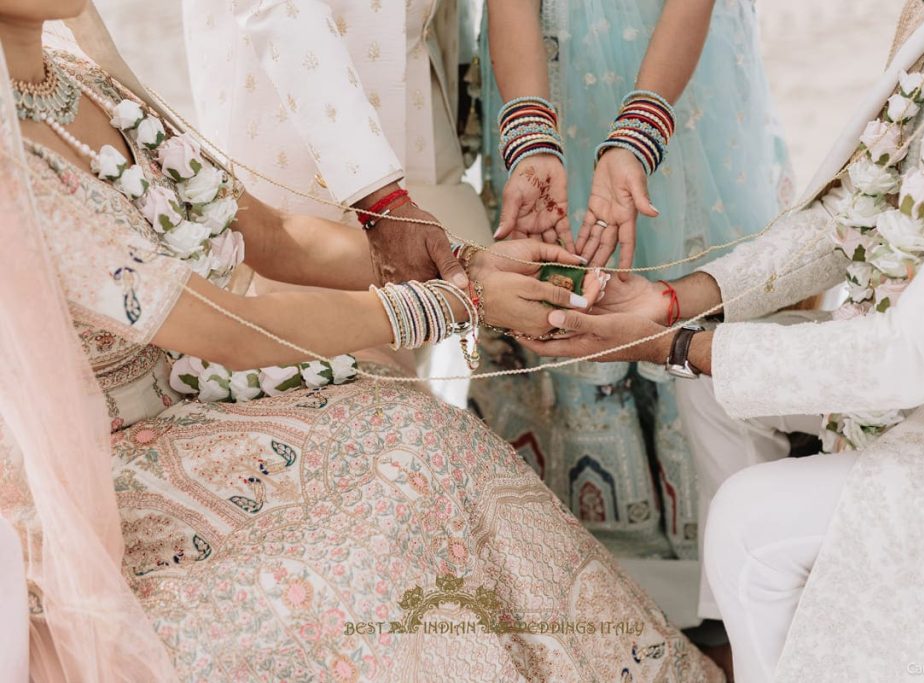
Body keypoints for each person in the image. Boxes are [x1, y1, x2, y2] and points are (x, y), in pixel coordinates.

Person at [0, 2, 725, 680]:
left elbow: (266, 233)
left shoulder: (79, 75)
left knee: (429, 436)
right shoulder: (10, 152)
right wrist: (458, 301)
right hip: (105, 465)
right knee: (385, 511)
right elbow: (223, 327)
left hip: (187, 403)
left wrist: (471, 263)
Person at [521, 0, 924, 678]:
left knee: (746, 521)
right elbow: (847, 214)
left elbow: (903, 355)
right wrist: (674, 304)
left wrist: (669, 346)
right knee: (711, 393)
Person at [471, 0, 793, 569]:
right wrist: (532, 138)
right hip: (543, 75)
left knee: (682, 261)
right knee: (561, 278)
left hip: (676, 69)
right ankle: (606, 568)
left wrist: (639, 136)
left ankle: (729, 571)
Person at [181, 0, 492, 290]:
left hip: (424, 114)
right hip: (294, 136)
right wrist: (382, 202)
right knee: (309, 327)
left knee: (442, 311)